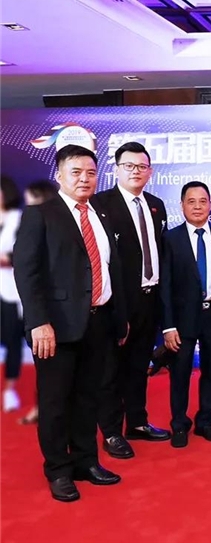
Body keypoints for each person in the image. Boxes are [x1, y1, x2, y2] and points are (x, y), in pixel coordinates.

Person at [14, 145, 128, 502]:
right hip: (55, 327)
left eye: (91, 173)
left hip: (98, 321)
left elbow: (110, 268)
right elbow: (27, 272)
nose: (84, 179)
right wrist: (39, 322)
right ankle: (58, 470)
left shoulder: (101, 215)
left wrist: (118, 317)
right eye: (76, 172)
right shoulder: (40, 215)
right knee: (55, 402)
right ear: (59, 175)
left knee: (88, 398)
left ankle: (85, 462)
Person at [93, 142, 170, 459]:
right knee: (111, 370)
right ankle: (111, 432)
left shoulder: (156, 205)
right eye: (129, 166)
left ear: (150, 172)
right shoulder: (100, 204)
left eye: (142, 166)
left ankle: (137, 422)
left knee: (139, 365)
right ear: (116, 169)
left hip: (149, 299)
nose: (136, 171)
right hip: (117, 301)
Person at [160, 181, 211, 448]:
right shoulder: (171, 239)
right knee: (180, 373)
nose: (198, 207)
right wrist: (168, 326)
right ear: (182, 206)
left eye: (203, 201)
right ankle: (179, 424)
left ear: (210, 204)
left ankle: (205, 421)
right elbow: (165, 285)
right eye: (191, 202)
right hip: (182, 319)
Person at [17, 180, 58, 425]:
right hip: (37, 309)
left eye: (32, 199)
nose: (28, 205)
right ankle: (41, 410)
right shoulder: (32, 221)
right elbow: (26, 268)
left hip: (62, 309)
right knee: (46, 370)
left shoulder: (55, 221)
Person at [1, 176, 24, 412]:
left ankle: (9, 390)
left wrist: (6, 259)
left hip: (10, 290)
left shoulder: (18, 219)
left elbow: (24, 254)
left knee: (12, 340)